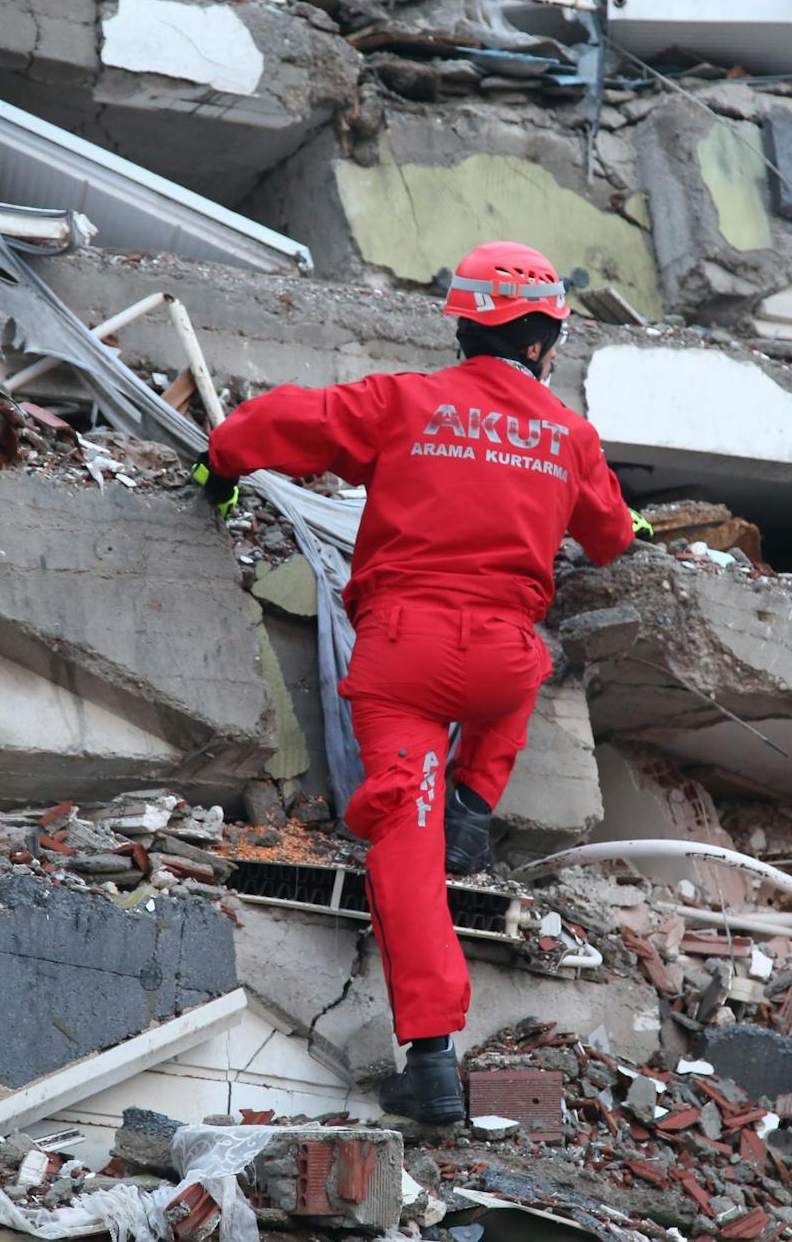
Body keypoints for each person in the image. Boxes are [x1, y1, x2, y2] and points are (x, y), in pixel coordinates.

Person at [194, 240, 649, 1123]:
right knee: (518, 672)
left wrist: (219, 470)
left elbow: (273, 424)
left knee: (405, 845)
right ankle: (474, 806)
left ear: (465, 330)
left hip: (404, 658)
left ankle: (432, 1057)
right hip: (500, 664)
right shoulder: (569, 435)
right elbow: (611, 538)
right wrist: (613, 510)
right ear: (544, 341)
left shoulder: (405, 403)